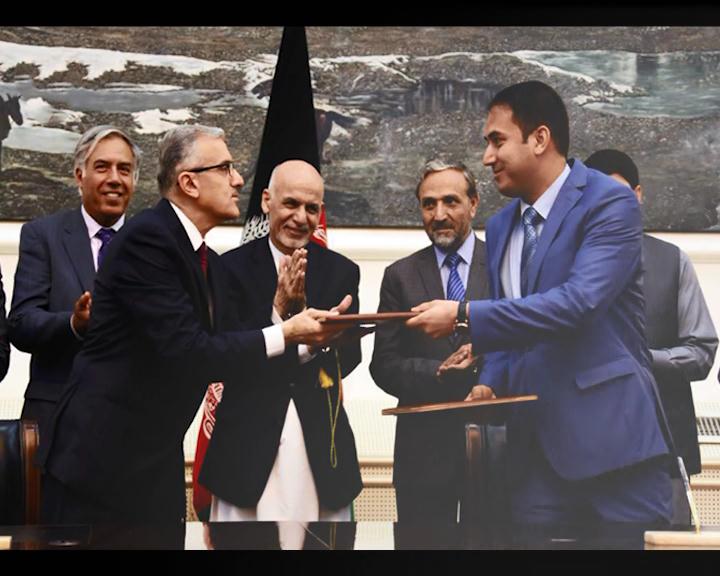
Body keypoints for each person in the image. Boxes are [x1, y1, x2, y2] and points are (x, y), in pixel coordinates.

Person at [38, 125, 351, 524]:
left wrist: (281, 311)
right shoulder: (148, 240)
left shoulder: (207, 261)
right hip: (102, 466)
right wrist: (289, 332)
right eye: (225, 168)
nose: (238, 180)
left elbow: (230, 344)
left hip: (154, 463)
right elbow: (188, 352)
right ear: (189, 182)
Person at [407, 81, 673, 525]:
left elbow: (578, 303)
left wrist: (463, 314)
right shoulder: (501, 224)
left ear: (539, 138)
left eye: (497, 141)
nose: (487, 157)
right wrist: (489, 382)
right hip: (532, 458)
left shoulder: (610, 203)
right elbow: (511, 328)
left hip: (613, 447)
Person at [200, 159, 363, 521]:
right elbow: (223, 355)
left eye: (311, 208)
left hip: (320, 448)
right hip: (246, 450)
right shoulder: (228, 269)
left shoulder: (342, 271)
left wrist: (315, 341)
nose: (300, 218)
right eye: (290, 204)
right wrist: (278, 314)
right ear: (266, 201)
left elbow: (351, 357)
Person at [585, 148, 718, 524]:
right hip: (587, 454)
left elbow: (702, 352)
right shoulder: (567, 265)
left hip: (666, 449)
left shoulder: (673, 261)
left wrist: (643, 359)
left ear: (638, 195)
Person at [369, 160, 489, 523]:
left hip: (495, 447)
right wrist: (439, 371)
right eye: (428, 204)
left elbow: (527, 342)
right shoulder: (399, 276)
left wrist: (482, 370)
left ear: (473, 203)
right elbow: (383, 365)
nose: (439, 215)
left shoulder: (503, 265)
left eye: (451, 201)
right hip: (422, 455)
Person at [8, 125, 139, 443]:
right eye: (102, 167)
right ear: (80, 176)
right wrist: (74, 324)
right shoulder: (43, 235)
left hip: (132, 424)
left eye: (124, 169)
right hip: (58, 422)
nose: (114, 178)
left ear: (134, 180)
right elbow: (22, 324)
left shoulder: (150, 242)